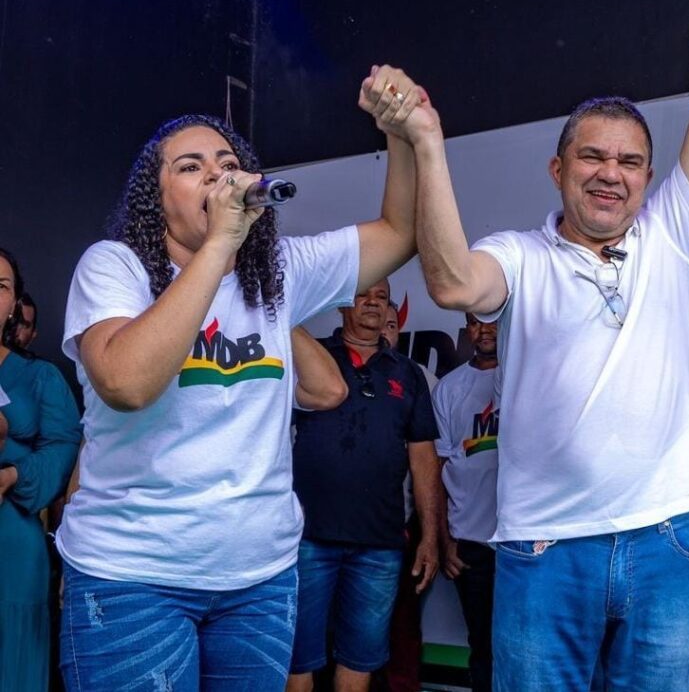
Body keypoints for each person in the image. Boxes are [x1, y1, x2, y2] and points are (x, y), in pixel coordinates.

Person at [362, 0, 689, 691]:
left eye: (632, 161)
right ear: (558, 168)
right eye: (592, 157)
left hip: (663, 538)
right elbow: (457, 285)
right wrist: (426, 144)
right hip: (543, 544)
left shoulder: (676, 231)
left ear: (650, 177)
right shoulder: (524, 255)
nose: (612, 173)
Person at [57, 66, 422, 692]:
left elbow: (399, 234)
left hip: (258, 577)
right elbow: (126, 382)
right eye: (191, 166)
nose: (216, 174)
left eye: (227, 161)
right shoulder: (114, 267)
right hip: (133, 577)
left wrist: (401, 136)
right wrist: (220, 246)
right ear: (157, 195)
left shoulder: (275, 269)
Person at [288, 278, 440, 692]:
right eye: (363, 295)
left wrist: (429, 536)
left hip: (380, 544)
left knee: (360, 659)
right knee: (296, 658)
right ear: (341, 305)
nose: (373, 304)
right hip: (307, 537)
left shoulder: (408, 374)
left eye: (382, 297)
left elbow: (424, 458)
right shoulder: (313, 357)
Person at [0, 247, 81, 692]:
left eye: (1, 287)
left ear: (15, 303)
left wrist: (13, 476)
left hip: (11, 542)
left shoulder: (40, 378)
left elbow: (63, 444)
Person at [433, 314, 499, 692]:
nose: (484, 330)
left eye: (492, 322)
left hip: (523, 542)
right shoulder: (449, 388)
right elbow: (435, 470)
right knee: (483, 647)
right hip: (471, 544)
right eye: (475, 323)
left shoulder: (529, 378)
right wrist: (444, 540)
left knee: (529, 646)